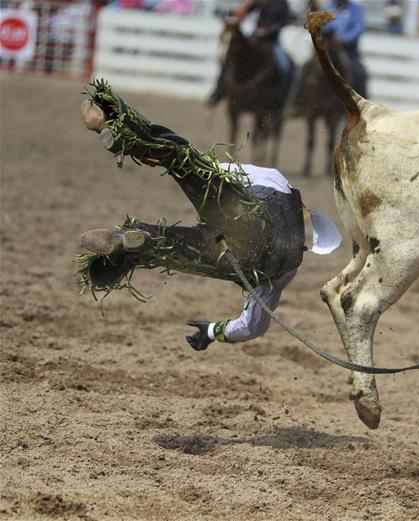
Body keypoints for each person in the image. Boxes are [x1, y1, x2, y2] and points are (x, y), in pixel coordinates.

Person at [78, 81, 341, 350]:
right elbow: (253, 327)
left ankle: (118, 126)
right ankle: (137, 240)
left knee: (179, 155)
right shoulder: (287, 266)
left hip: (254, 207)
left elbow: (196, 164)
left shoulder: (267, 178)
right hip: (262, 262)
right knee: (188, 248)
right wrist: (214, 331)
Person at [208, 0, 294, 107]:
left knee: (285, 65)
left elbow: (283, 22)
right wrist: (240, 11)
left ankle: (282, 99)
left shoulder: (282, 3)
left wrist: (267, 31)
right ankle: (219, 91)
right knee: (230, 57)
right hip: (255, 37)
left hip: (272, 41)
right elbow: (248, 9)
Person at [324, 0, 367, 97]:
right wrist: (328, 37)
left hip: (347, 50)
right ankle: (295, 103)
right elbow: (321, 25)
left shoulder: (356, 9)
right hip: (325, 47)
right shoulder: (326, 7)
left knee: (358, 72)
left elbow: (358, 28)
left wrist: (343, 39)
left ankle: (359, 105)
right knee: (306, 68)